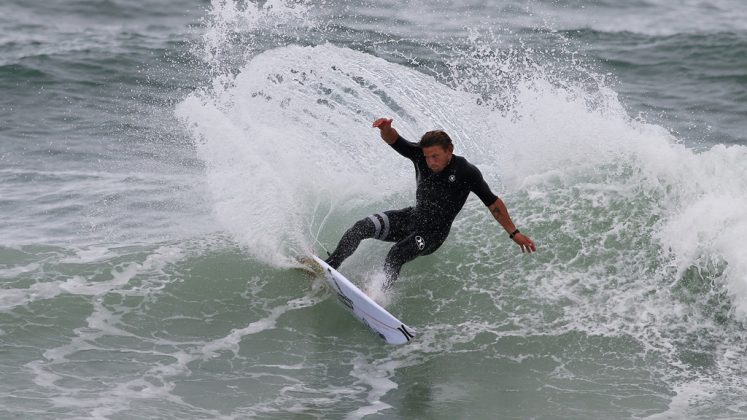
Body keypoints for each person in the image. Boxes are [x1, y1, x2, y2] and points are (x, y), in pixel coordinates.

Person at [324, 118, 536, 290]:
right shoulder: (419, 156)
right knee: (361, 228)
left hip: (433, 235)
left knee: (396, 254)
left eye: (435, 156)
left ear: (449, 150)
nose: (431, 161)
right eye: (427, 157)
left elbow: (494, 204)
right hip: (411, 218)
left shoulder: (466, 172)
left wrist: (514, 233)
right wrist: (386, 128)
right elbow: (394, 140)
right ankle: (328, 268)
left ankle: (377, 296)